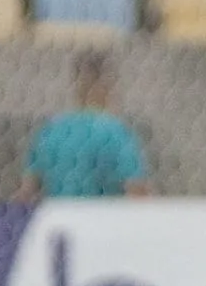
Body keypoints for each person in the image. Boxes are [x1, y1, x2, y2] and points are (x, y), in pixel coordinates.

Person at [20, 51, 151, 200]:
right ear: (108, 84)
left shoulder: (49, 131)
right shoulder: (116, 132)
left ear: (76, 85)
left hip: (59, 220)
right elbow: (137, 192)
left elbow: (26, 193)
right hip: (100, 220)